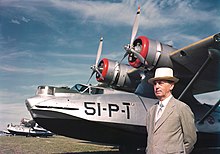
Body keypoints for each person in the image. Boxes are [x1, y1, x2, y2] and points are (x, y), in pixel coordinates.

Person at [146, 67, 197, 154]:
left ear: (171, 86)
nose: (157, 86)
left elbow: (190, 139)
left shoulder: (182, 108)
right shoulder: (151, 111)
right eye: (155, 83)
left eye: (161, 83)